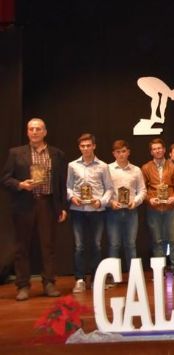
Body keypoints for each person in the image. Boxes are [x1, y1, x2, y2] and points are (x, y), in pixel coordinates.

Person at [1, 118, 67, 301]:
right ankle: (23, 285)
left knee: (48, 245)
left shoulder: (57, 154)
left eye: (38, 129)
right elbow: (5, 179)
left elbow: (61, 183)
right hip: (24, 205)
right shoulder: (16, 153)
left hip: (47, 204)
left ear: (45, 132)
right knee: (21, 247)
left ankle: (49, 283)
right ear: (27, 132)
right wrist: (21, 184)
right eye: (31, 129)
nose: (35, 132)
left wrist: (62, 207)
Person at [67, 133, 113, 293]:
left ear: (94, 146)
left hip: (97, 210)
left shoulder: (103, 166)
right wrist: (72, 197)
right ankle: (79, 279)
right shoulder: (72, 165)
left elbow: (109, 189)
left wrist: (101, 202)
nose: (85, 148)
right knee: (79, 246)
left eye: (88, 145)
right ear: (79, 147)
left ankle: (95, 279)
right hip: (78, 210)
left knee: (96, 245)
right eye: (82, 146)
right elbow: (68, 186)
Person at [141, 138, 174, 279]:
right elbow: (142, 189)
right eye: (154, 149)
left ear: (164, 150)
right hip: (154, 209)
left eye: (159, 148)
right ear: (151, 152)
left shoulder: (172, 167)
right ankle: (159, 270)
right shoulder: (146, 168)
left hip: (171, 208)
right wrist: (149, 199)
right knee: (157, 240)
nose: (157, 151)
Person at [106, 140, 146, 276]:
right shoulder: (108, 169)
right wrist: (111, 202)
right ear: (113, 154)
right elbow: (103, 190)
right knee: (114, 244)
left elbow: (142, 190)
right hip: (113, 211)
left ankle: (134, 277)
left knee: (131, 244)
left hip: (131, 211)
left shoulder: (136, 170)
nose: (121, 154)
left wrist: (136, 201)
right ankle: (113, 276)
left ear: (128, 152)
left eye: (123, 151)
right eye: (118, 152)